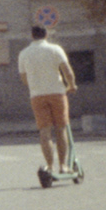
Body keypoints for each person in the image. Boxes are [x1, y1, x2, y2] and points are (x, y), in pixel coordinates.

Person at [17, 25, 78, 173]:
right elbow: (67, 72)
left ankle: (50, 166)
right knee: (61, 129)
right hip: (57, 93)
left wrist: (36, 85)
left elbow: (24, 79)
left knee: (44, 132)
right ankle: (63, 166)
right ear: (46, 35)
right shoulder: (55, 49)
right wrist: (71, 85)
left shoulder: (24, 54)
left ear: (32, 36)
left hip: (37, 96)